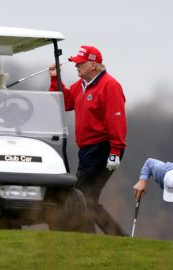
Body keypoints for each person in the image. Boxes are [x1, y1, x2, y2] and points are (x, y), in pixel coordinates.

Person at [49, 45, 127, 233]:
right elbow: (64, 102)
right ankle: (100, 237)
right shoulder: (81, 85)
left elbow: (116, 119)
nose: (76, 66)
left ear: (93, 65)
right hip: (87, 150)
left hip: (104, 148)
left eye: (80, 63)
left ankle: (101, 236)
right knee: (85, 198)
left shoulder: (110, 85)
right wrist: (55, 79)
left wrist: (115, 151)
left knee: (82, 197)